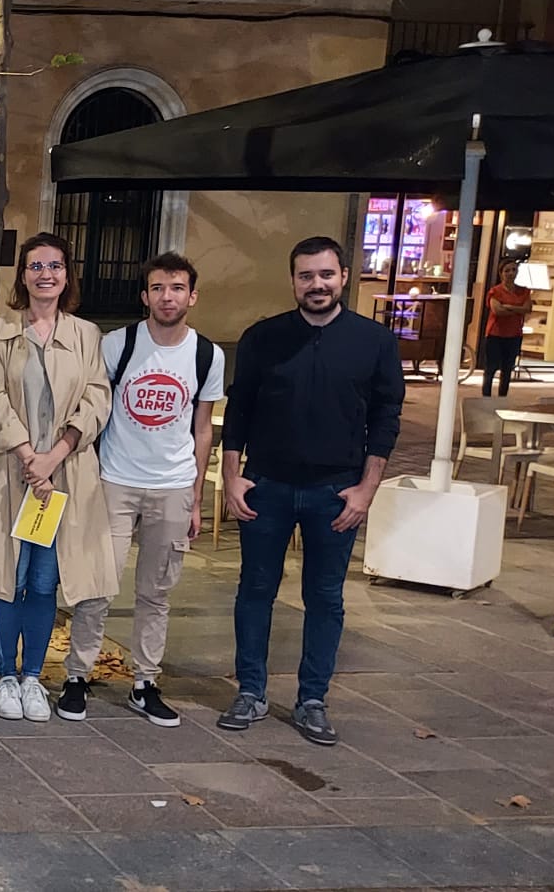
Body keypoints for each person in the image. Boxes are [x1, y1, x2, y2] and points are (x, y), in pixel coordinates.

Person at [220, 236, 403, 746]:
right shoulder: (263, 338)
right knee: (255, 591)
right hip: (268, 487)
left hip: (335, 492)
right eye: (306, 276)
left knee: (324, 597)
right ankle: (251, 691)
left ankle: (312, 700)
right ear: (294, 281)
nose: (317, 284)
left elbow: (387, 420)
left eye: (326, 274)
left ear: (344, 275)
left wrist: (366, 490)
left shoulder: (375, 342)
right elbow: (239, 411)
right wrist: (232, 475)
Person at [59, 252, 224, 727]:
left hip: (171, 486)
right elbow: (93, 401)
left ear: (191, 295)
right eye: (157, 288)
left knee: (157, 590)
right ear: (144, 295)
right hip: (115, 480)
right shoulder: (119, 344)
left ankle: (145, 681)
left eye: (176, 288)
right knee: (97, 585)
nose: (166, 296)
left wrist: (195, 497)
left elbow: (203, 428)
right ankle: (77, 675)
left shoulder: (206, 354)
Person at [0, 231, 116, 723]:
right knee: (9, 577)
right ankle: (5, 676)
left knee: (45, 578)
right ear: (23, 275)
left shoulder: (85, 335)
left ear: (66, 274)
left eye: (55, 265)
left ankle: (34, 677)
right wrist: (30, 455)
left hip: (64, 476)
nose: (45, 274)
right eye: (36, 266)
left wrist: (55, 455)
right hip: (15, 472)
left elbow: (97, 398)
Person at [482, 258, 530, 397]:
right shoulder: (495, 291)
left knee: (507, 369)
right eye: (507, 270)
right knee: (491, 369)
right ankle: (486, 397)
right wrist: (518, 309)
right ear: (501, 273)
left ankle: (502, 397)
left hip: (514, 335)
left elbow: (527, 308)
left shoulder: (524, 291)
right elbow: (497, 310)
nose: (510, 273)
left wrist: (508, 306)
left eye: (514, 270)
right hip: (495, 334)